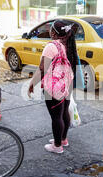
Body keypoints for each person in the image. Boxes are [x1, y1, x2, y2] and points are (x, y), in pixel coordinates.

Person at [27, 20, 79, 154]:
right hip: (67, 82)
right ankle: (63, 139)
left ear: (54, 33)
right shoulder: (69, 44)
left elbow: (42, 69)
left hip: (54, 85)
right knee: (64, 111)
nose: (49, 31)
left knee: (56, 116)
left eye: (51, 29)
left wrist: (32, 84)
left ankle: (57, 146)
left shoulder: (51, 46)